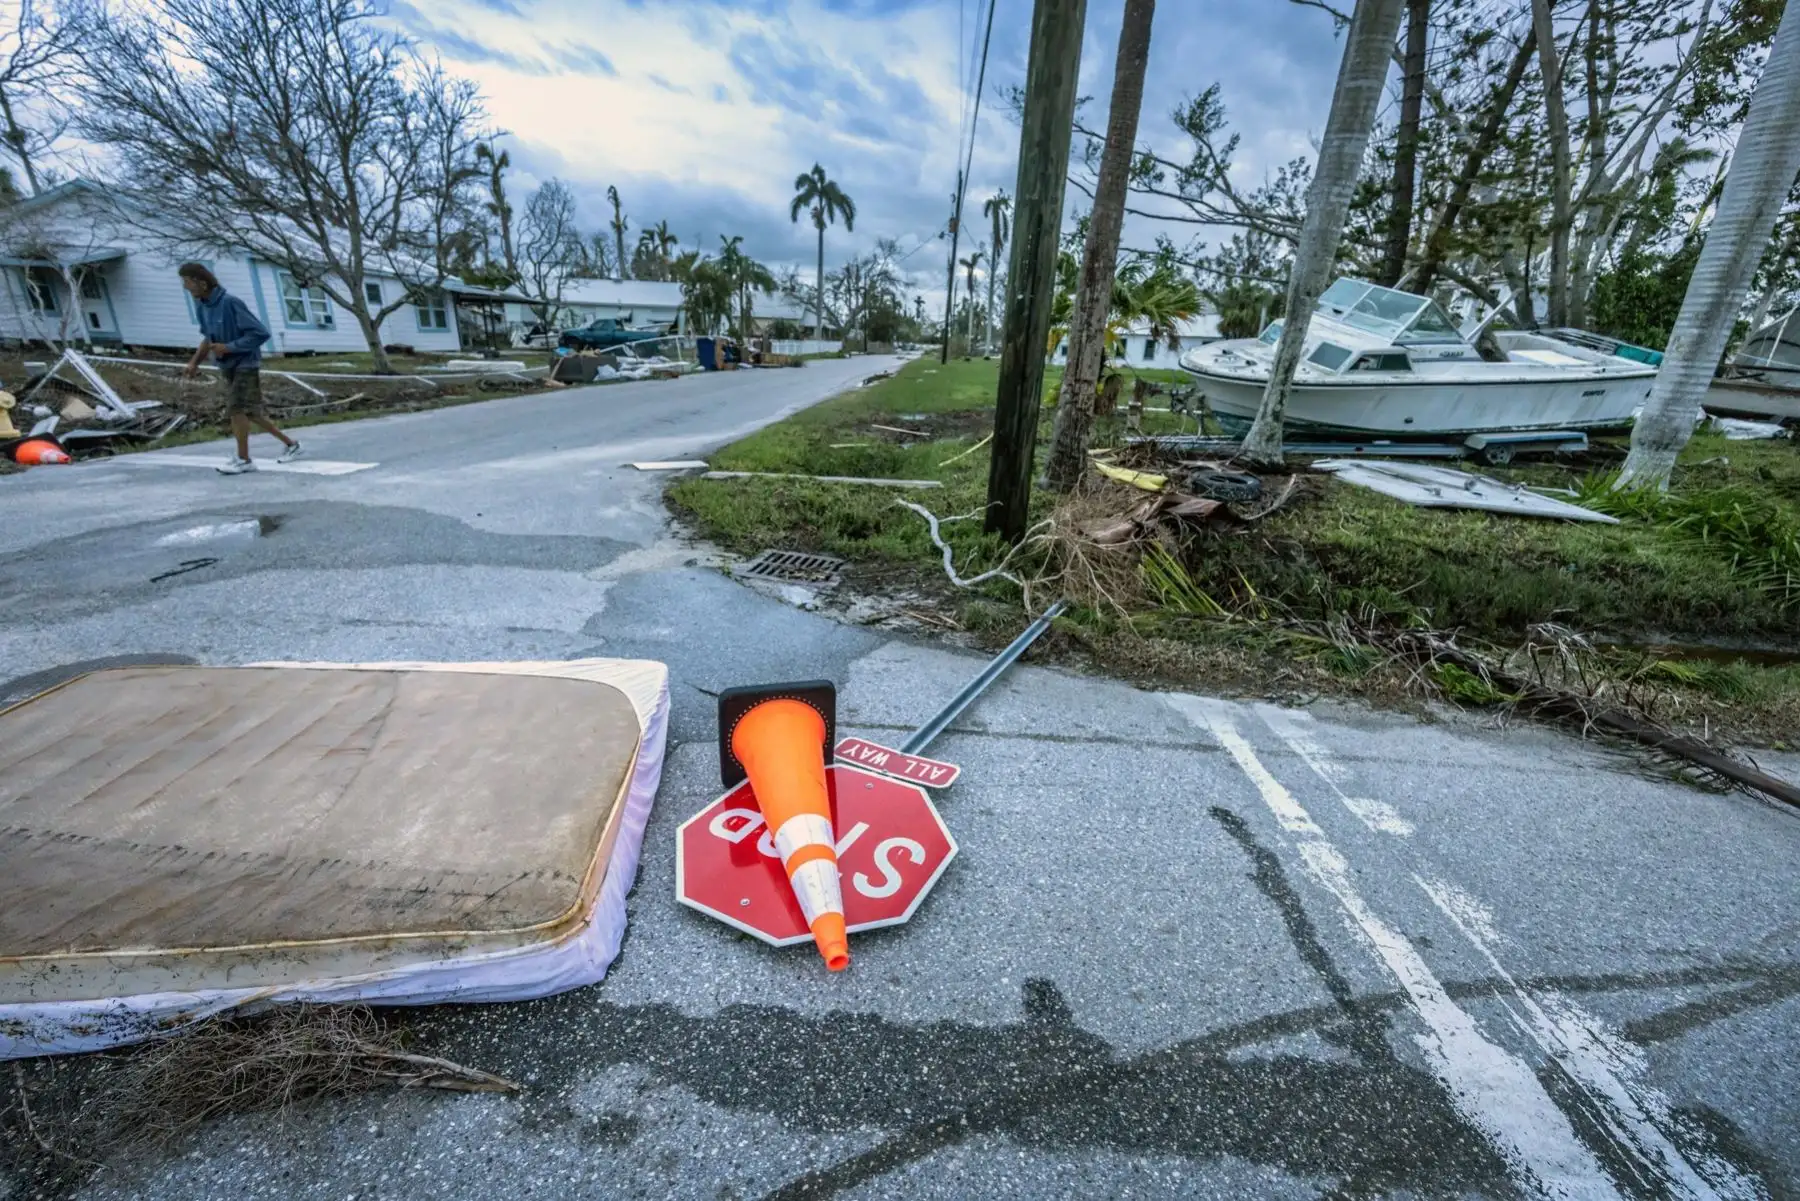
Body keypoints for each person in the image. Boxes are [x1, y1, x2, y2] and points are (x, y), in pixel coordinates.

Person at [179, 262, 301, 474]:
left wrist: (229, 347)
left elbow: (260, 333)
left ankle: (244, 460)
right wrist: (194, 362)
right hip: (226, 364)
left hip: (246, 363)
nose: (185, 287)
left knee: (236, 408)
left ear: (201, 283)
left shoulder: (230, 303)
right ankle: (292, 444)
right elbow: (208, 338)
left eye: (187, 282)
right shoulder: (202, 306)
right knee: (251, 412)